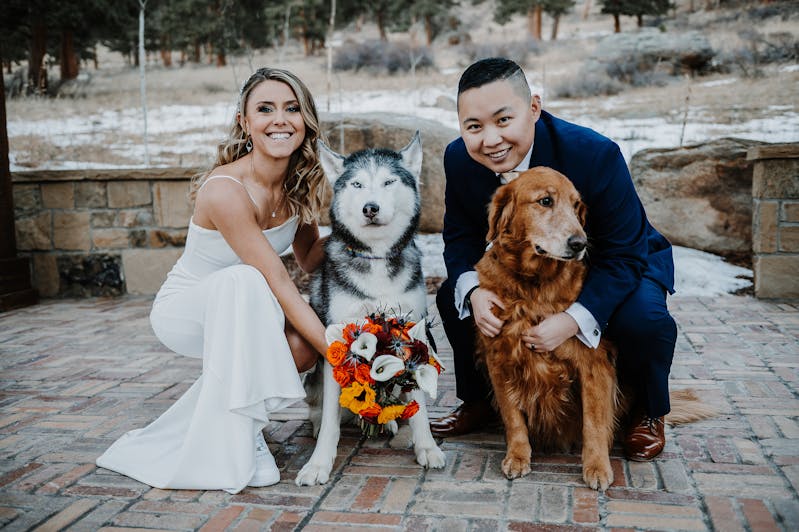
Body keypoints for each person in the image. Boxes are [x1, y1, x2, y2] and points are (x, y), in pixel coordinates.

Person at [430, 57, 676, 462]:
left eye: (503, 120)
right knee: (452, 299)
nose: (490, 140)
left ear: (533, 109)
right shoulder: (460, 159)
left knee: (642, 319)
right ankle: (479, 401)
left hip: (619, 258)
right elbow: (460, 237)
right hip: (540, 264)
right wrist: (473, 290)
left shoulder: (594, 154)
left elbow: (624, 254)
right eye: (474, 126)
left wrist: (574, 319)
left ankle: (647, 412)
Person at [96, 67, 330, 492]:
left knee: (301, 349)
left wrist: (356, 231)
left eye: (291, 108)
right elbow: (278, 279)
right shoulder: (224, 190)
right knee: (246, 279)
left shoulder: (297, 186)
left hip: (250, 306)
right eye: (265, 109)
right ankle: (238, 434)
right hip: (188, 310)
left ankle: (240, 422)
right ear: (245, 122)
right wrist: (343, 355)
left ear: (306, 119)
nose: (280, 119)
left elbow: (311, 259)